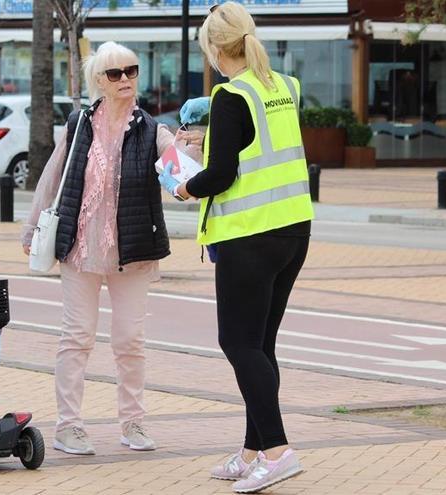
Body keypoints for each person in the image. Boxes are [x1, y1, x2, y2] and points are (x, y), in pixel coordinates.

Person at [161, 2, 313, 493]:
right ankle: (253, 451)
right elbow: (256, 151)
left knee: (239, 344)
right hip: (293, 229)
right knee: (261, 345)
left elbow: (222, 175)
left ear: (212, 47)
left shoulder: (229, 95)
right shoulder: (285, 87)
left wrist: (183, 186)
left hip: (249, 235)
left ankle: (278, 451)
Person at [21, 41, 200, 456]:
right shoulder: (79, 124)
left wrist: (193, 148)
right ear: (98, 81)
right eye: (115, 74)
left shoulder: (153, 129)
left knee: (130, 340)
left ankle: (133, 423)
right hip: (80, 247)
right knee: (77, 337)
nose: (126, 80)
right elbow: (53, 176)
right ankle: (68, 425)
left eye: (132, 71)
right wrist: (32, 226)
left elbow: (179, 178)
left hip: (133, 250)